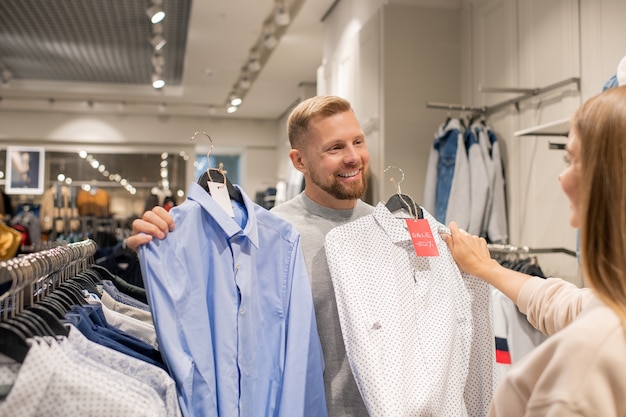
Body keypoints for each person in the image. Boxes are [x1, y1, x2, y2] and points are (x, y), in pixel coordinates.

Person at [127, 95, 373, 416]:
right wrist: (154, 246)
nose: (354, 157)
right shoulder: (268, 238)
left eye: (358, 141)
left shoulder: (390, 232)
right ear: (299, 161)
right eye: (335, 148)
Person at [440, 85, 626, 416]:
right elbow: (562, 303)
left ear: (608, 180)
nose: (561, 176)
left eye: (571, 160)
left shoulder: (589, 363)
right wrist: (489, 269)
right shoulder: (612, 305)